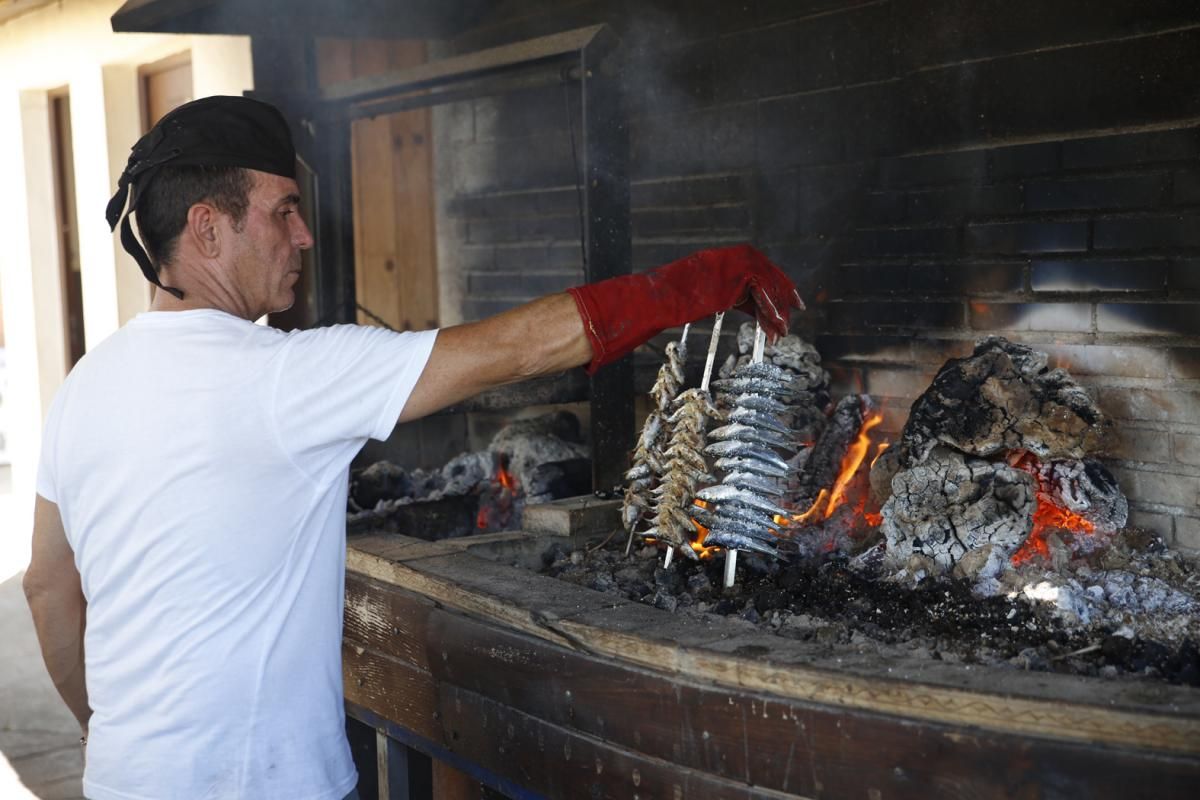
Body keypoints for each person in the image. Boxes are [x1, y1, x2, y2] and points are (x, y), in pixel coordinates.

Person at [21, 96, 802, 800]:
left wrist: (105, 725)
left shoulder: (84, 389)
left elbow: (49, 592)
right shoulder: (287, 378)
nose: (302, 235)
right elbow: (515, 349)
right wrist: (688, 287)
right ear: (207, 228)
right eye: (283, 211)